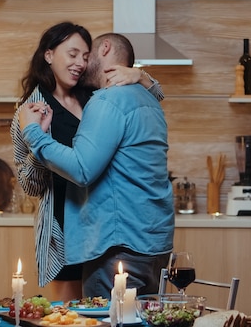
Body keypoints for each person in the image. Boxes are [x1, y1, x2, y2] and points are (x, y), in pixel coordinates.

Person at [10, 22, 165, 302]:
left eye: (85, 56)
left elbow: (147, 100)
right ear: (48, 55)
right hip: (67, 226)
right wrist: (36, 139)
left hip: (104, 227)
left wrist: (141, 76)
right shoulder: (30, 109)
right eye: (72, 54)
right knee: (74, 314)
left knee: (104, 313)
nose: (80, 63)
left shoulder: (94, 94)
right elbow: (29, 185)